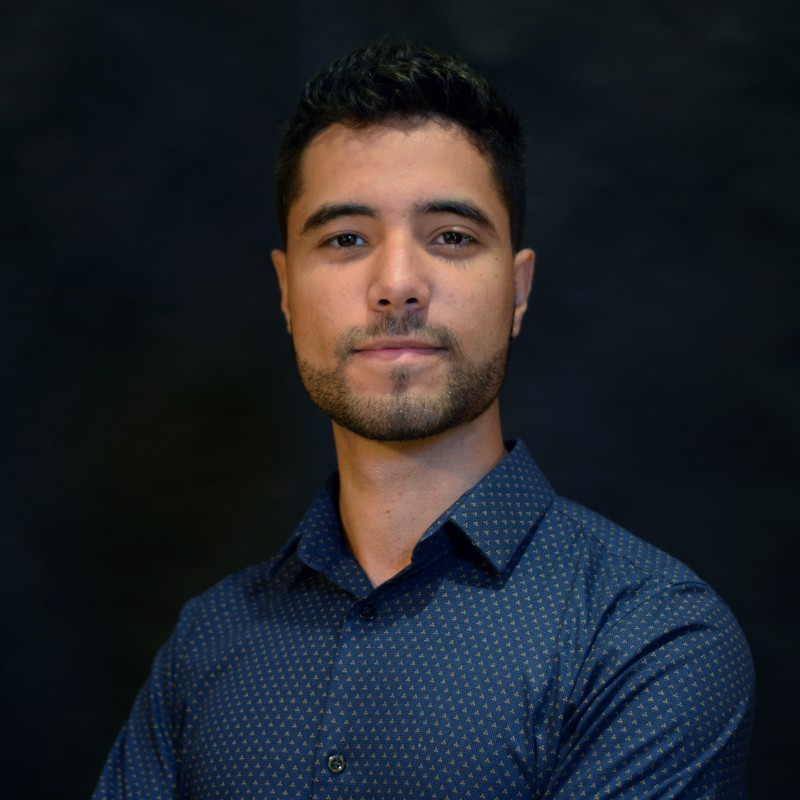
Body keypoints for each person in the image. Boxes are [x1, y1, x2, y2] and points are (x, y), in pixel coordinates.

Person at [93, 41, 754, 799]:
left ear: (518, 290)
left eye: (451, 237)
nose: (398, 283)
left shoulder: (648, 636)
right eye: (346, 239)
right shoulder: (206, 643)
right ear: (285, 291)